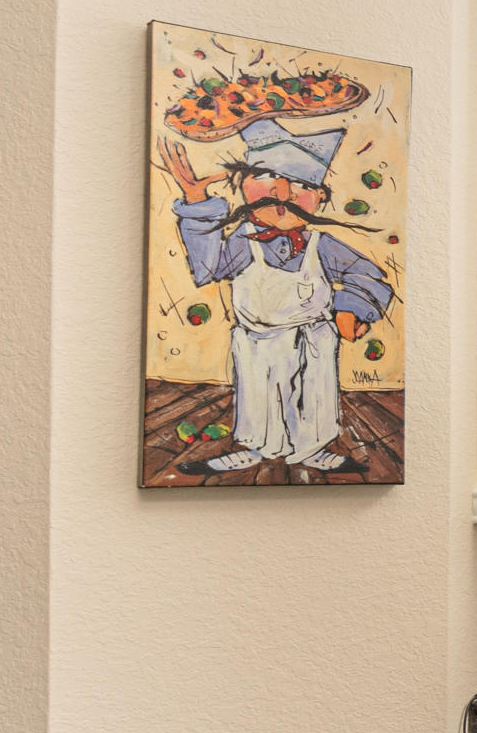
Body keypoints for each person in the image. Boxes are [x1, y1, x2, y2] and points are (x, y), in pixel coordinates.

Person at [156, 115, 394, 476]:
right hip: (256, 339)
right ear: (243, 188)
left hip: (313, 336)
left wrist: (352, 309)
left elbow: (367, 275)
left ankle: (313, 449)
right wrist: (196, 199)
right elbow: (207, 269)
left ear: (319, 197)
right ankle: (254, 448)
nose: (282, 195)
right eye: (267, 180)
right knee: (257, 397)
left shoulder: (322, 245)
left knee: (315, 396)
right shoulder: (241, 240)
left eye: (300, 185)